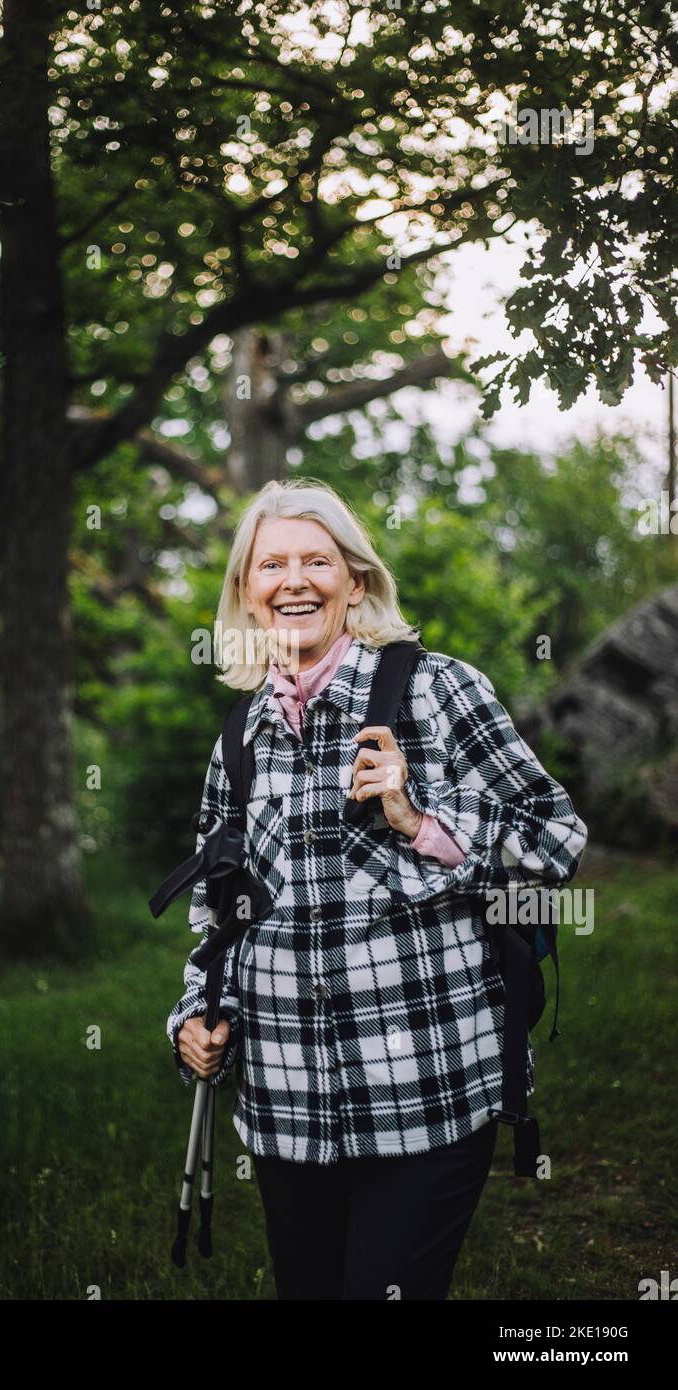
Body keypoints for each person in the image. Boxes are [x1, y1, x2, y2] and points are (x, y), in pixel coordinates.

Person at [166, 478, 588, 1300]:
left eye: (317, 561)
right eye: (272, 565)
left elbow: (554, 835)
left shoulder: (437, 689)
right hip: (287, 1107)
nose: (294, 580)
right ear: (248, 595)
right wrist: (193, 1015)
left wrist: (419, 817)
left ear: (355, 582)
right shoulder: (239, 736)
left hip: (424, 1091)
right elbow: (218, 917)